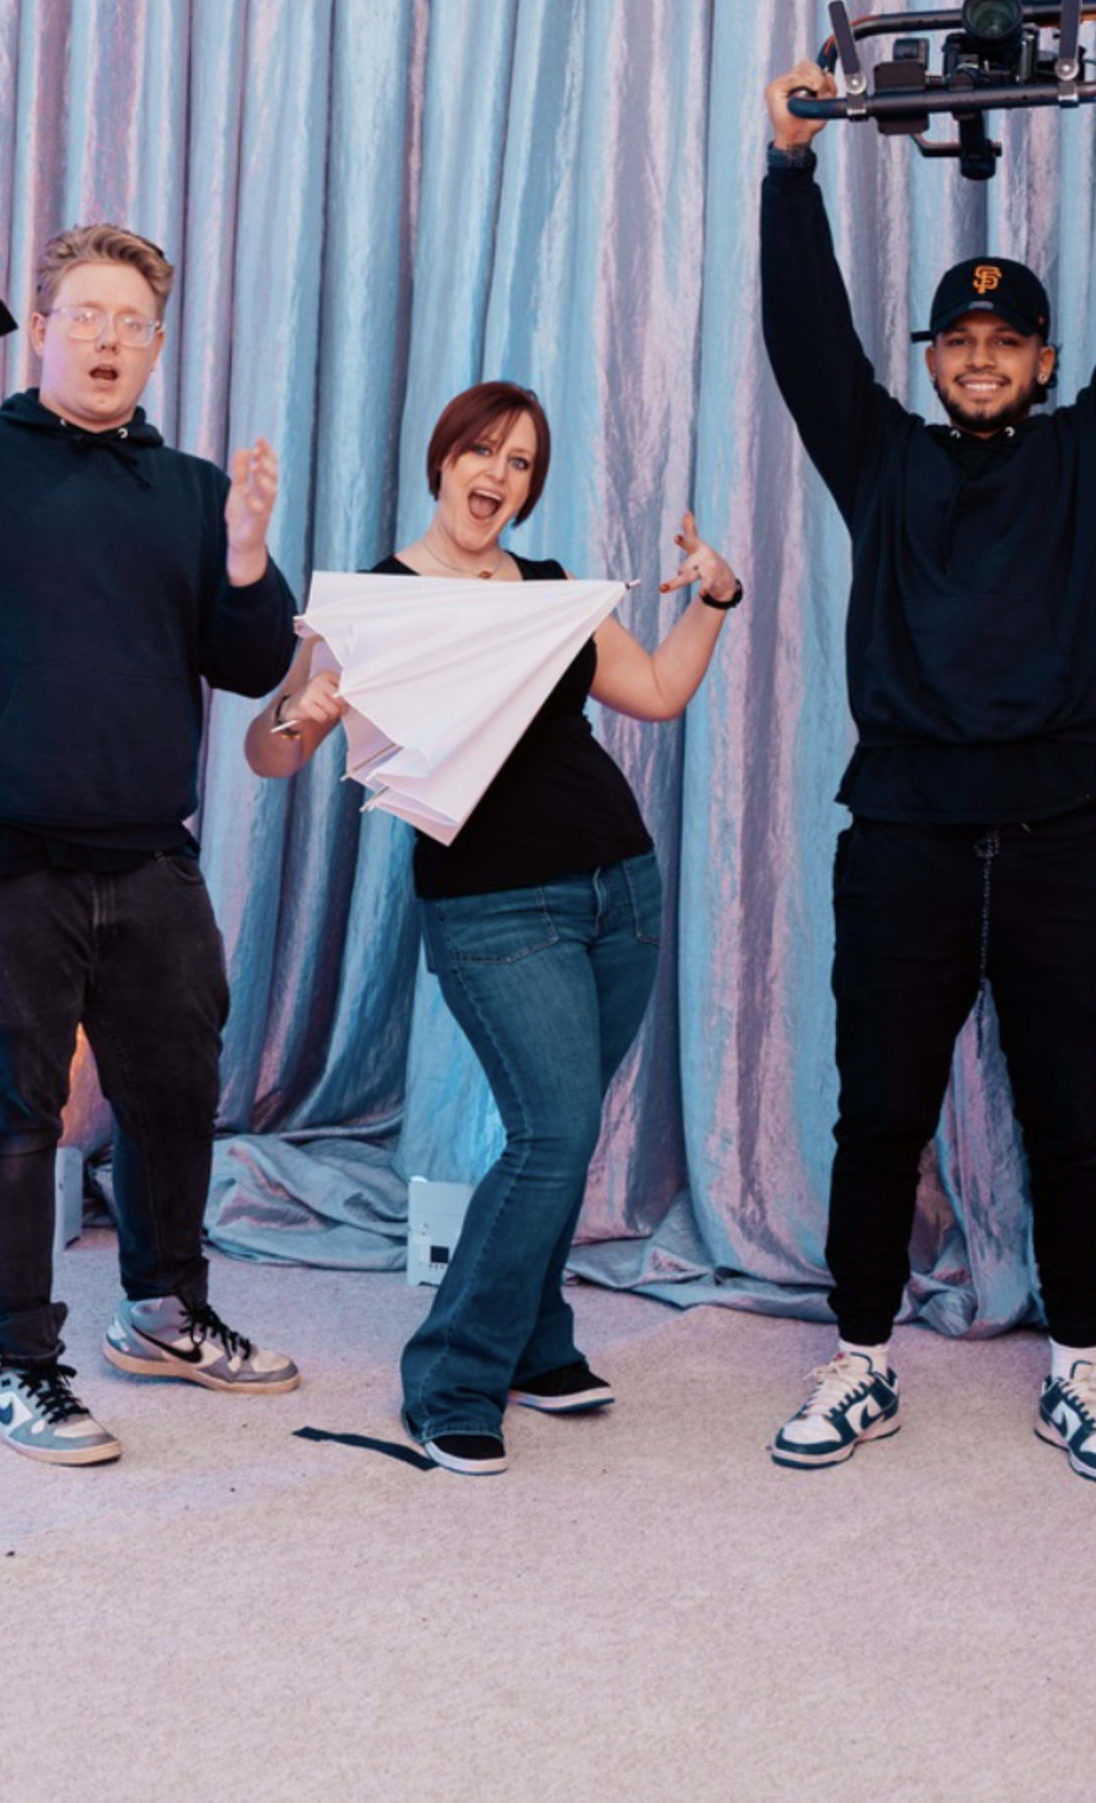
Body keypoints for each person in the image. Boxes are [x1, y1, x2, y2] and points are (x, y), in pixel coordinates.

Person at [754, 38, 1096, 1484]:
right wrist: (789, 169)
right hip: (904, 836)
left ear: (1045, 360)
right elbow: (804, 335)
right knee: (879, 1107)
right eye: (960, 341)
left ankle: (1081, 1367)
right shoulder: (881, 461)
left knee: (1071, 1116)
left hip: (1058, 831)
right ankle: (863, 1354)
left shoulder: (1094, 458)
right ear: (934, 359)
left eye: (1008, 342)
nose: (984, 358)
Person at [0, 221, 304, 1467]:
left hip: (147, 852)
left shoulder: (189, 489)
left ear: (157, 347)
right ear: (42, 326)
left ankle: (167, 1310)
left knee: (176, 1089)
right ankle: (19, 1358)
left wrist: (244, 553)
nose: (110, 341)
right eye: (87, 315)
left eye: (134, 324)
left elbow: (251, 665)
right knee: (17, 1105)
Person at [243, 381, 740, 1474]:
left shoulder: (549, 591)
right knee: (553, 1132)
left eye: (519, 462)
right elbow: (268, 751)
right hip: (493, 905)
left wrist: (713, 597)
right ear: (442, 461)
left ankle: (534, 1336)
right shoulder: (375, 598)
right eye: (482, 450)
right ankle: (455, 1373)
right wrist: (303, 714)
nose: (498, 475)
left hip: (622, 887)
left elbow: (655, 689)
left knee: (560, 1136)